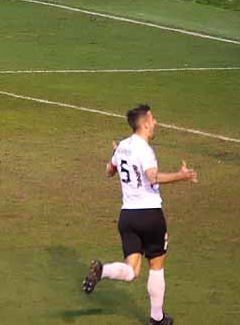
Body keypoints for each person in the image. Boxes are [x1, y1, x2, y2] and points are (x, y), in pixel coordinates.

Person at [81, 104, 198, 325]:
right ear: (144, 124)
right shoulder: (145, 150)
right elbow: (153, 177)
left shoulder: (122, 146)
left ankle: (102, 270)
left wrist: (114, 155)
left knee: (132, 270)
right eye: (153, 119)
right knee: (156, 265)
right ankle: (156, 318)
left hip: (127, 217)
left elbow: (109, 171)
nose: (155, 123)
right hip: (150, 216)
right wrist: (181, 176)